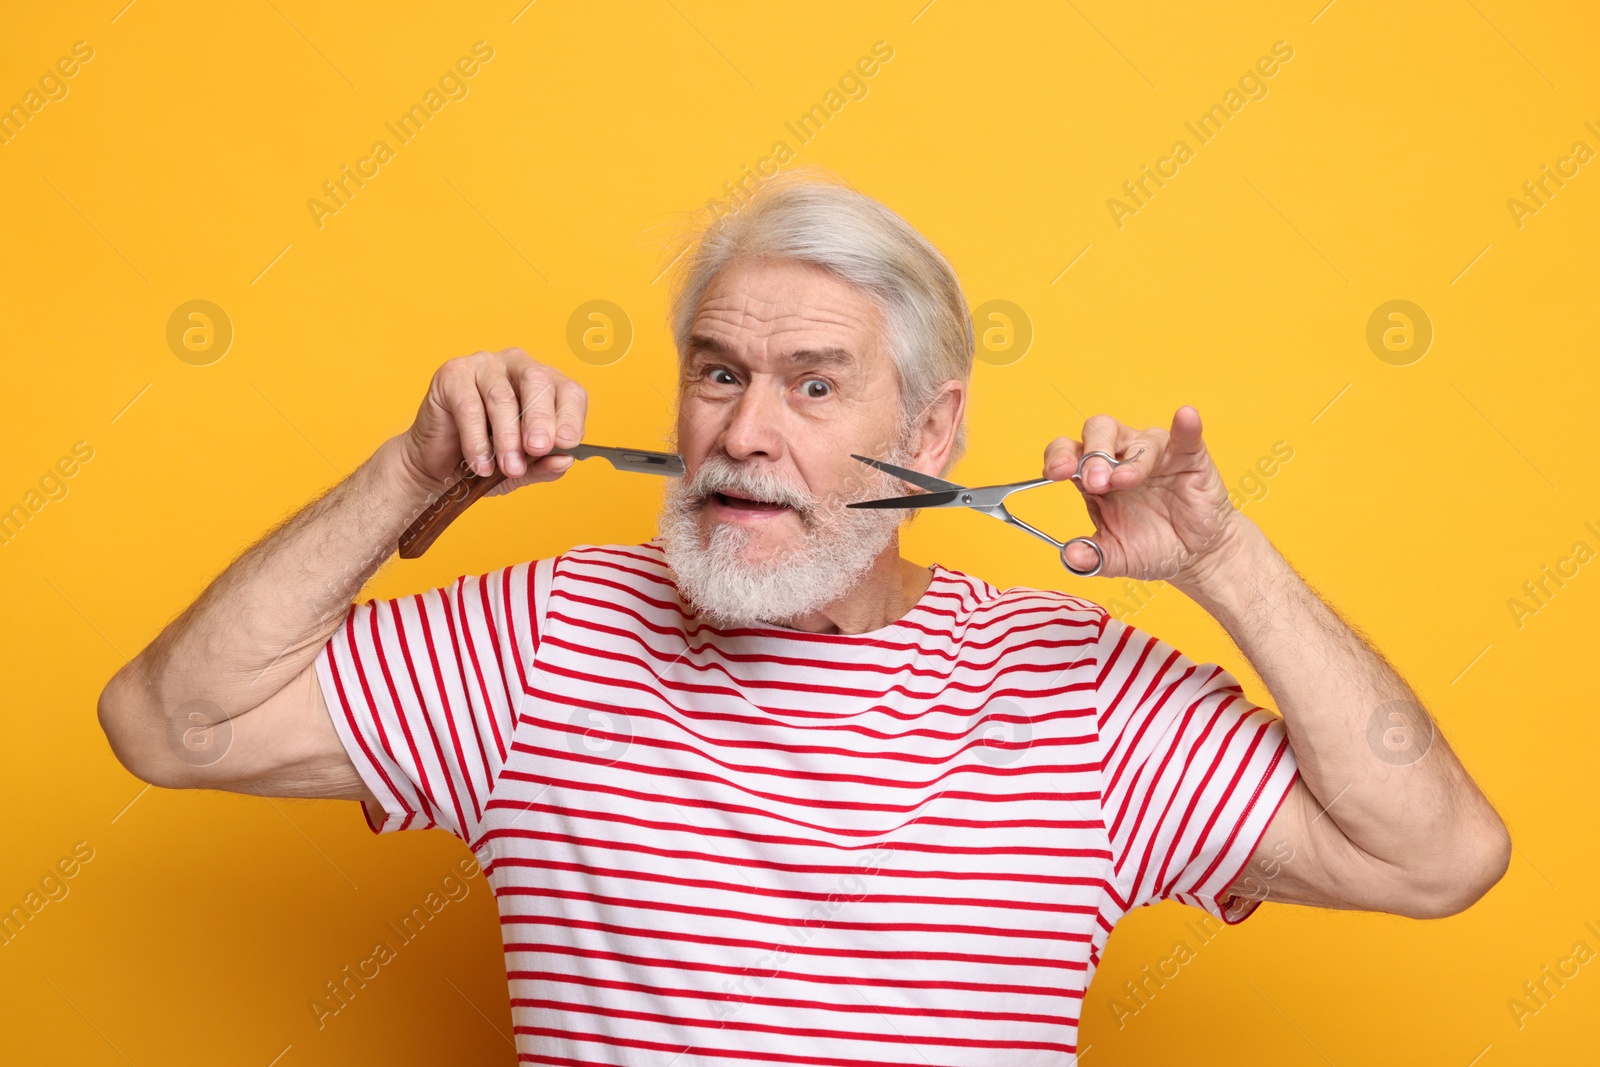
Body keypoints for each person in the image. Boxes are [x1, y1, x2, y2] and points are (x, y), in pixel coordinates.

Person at [97, 170, 1509, 1064]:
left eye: (815, 385)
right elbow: (169, 721)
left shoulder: (1077, 696)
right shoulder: (542, 644)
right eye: (716, 373)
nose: (745, 432)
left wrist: (1224, 560)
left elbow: (1439, 856)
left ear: (938, 428)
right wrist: (403, 474)